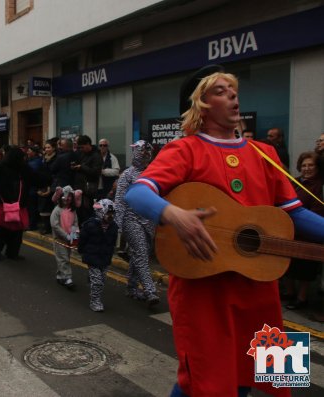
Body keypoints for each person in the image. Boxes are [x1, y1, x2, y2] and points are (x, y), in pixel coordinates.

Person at [125, 65, 324, 397]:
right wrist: (173, 214)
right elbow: (137, 192)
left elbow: (296, 215)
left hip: (259, 284)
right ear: (201, 105)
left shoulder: (266, 153)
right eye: (220, 90)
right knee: (205, 381)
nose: (232, 94)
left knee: (256, 374)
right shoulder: (184, 149)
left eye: (233, 90)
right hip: (204, 288)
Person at [114, 140, 159, 307]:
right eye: (141, 152)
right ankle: (150, 290)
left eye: (147, 153)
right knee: (140, 253)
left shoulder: (154, 173)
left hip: (149, 221)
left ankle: (131, 288)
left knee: (140, 254)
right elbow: (119, 200)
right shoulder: (127, 175)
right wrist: (117, 224)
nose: (144, 155)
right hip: (131, 219)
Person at [281, 151, 324, 310]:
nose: (307, 168)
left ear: (317, 167)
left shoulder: (319, 186)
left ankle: (302, 298)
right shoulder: (295, 182)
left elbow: (318, 212)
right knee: (286, 265)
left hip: (307, 232)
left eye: (311, 165)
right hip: (288, 230)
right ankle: (290, 292)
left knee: (304, 268)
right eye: (304, 165)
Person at [0, 147, 32, 261]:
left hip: (18, 204)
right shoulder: (3, 167)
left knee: (17, 230)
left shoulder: (23, 168)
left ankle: (12, 252)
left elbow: (33, 178)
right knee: (4, 229)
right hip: (4, 203)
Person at [78, 199, 118, 312]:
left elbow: (113, 243)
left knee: (102, 279)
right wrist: (81, 250)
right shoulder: (90, 225)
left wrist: (110, 254)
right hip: (92, 257)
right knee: (98, 281)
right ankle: (95, 301)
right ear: (101, 212)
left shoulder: (113, 227)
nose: (110, 216)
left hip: (105, 258)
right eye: (108, 213)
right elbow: (82, 240)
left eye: (112, 213)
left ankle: (91, 279)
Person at [50, 185, 80, 288]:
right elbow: (55, 225)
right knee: (63, 258)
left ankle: (60, 276)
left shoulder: (73, 211)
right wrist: (65, 235)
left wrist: (73, 236)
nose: (67, 199)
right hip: (59, 239)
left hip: (69, 239)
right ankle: (67, 278)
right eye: (64, 197)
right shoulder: (57, 210)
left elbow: (75, 223)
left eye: (69, 197)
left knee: (65, 257)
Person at [72, 135, 102, 225]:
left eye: (82, 147)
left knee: (88, 211)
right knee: (80, 210)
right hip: (80, 187)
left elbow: (96, 172)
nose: (81, 149)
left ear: (88, 144)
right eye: (79, 148)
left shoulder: (96, 156)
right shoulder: (82, 154)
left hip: (89, 188)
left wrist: (82, 167)